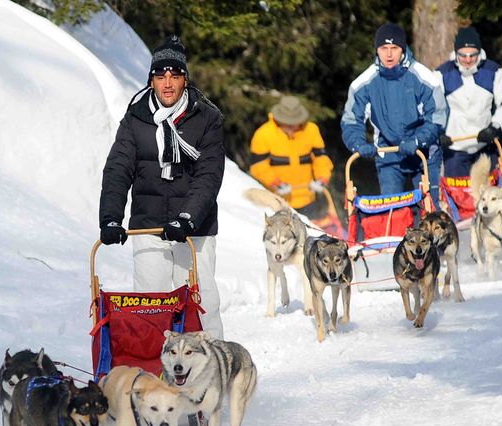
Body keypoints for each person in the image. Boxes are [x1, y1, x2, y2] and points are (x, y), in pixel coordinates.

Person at [99, 35, 225, 339]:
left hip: (194, 230)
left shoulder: (207, 118)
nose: (167, 82)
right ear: (151, 80)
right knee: (150, 308)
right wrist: (111, 218)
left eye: (174, 75)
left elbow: (209, 175)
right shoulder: (136, 118)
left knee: (201, 304)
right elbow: (118, 169)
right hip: (148, 227)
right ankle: (155, 376)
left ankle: (215, 374)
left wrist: (186, 218)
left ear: (184, 79)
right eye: (160, 75)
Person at [341, 22, 448, 207]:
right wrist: (358, 143)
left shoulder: (424, 78)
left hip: (423, 152)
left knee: (429, 212)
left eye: (394, 48)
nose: (389, 54)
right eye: (384, 48)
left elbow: (438, 117)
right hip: (388, 153)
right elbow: (351, 120)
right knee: (392, 212)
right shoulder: (364, 83)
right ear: (377, 50)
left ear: (403, 49)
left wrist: (418, 140)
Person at [436, 26, 502, 179]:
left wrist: (495, 127)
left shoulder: (493, 71)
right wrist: (437, 132)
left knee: (490, 195)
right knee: (458, 197)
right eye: (463, 55)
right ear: (456, 53)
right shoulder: (442, 73)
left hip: (485, 144)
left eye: (473, 55)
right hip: (455, 147)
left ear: (479, 52)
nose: (468, 60)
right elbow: (430, 107)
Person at [249, 95, 334, 220]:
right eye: (287, 123)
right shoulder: (263, 134)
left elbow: (321, 159)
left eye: (295, 123)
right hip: (276, 201)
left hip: (307, 199)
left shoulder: (311, 130)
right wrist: (276, 183)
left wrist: (322, 179)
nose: (292, 127)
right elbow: (258, 167)